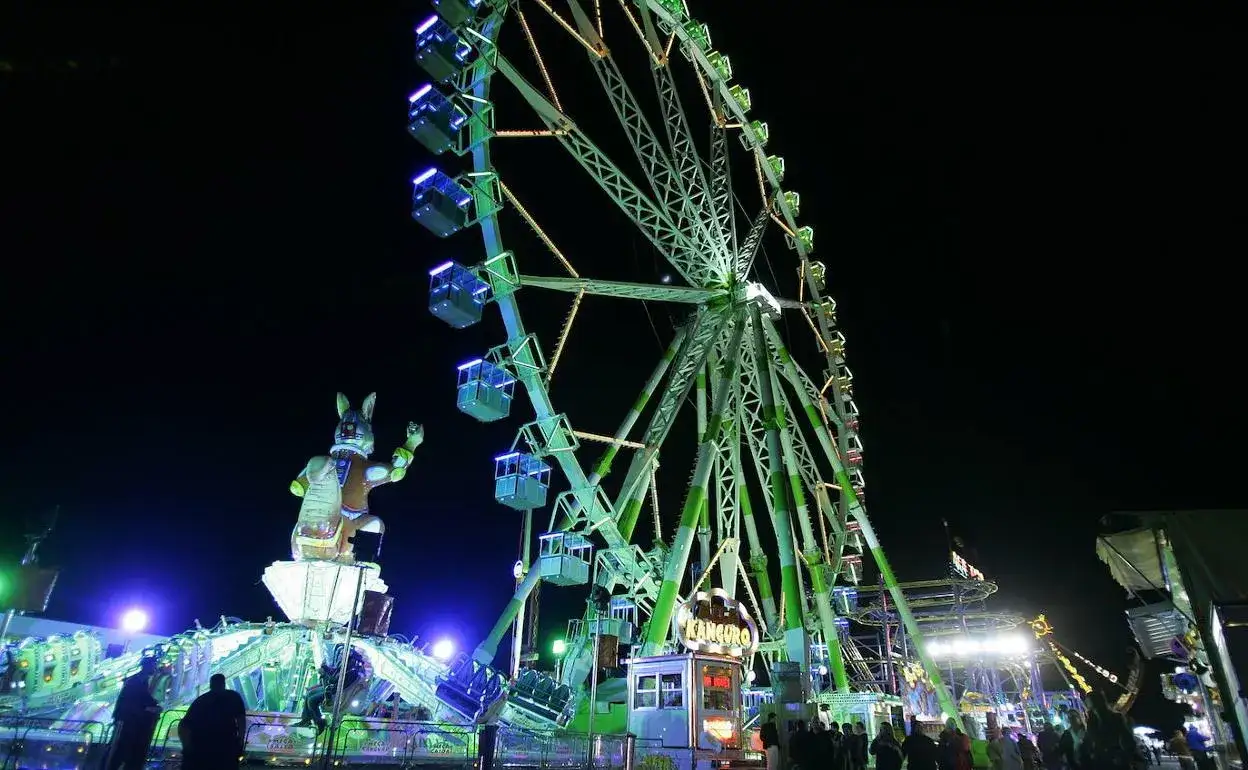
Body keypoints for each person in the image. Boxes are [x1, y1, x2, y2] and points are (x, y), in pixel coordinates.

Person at [179, 673, 247, 770]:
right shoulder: (233, 697)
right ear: (223, 684)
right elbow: (241, 720)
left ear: (210, 685)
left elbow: (184, 725)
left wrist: (187, 747)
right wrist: (240, 740)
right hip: (224, 745)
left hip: (204, 745)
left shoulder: (201, 701)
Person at [107, 656, 161, 770]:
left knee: (125, 751)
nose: (155, 668)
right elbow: (136, 700)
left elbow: (143, 699)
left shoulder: (140, 680)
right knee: (122, 750)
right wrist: (152, 707)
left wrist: (153, 705)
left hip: (131, 719)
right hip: (128, 721)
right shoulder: (137, 681)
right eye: (153, 665)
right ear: (147, 666)